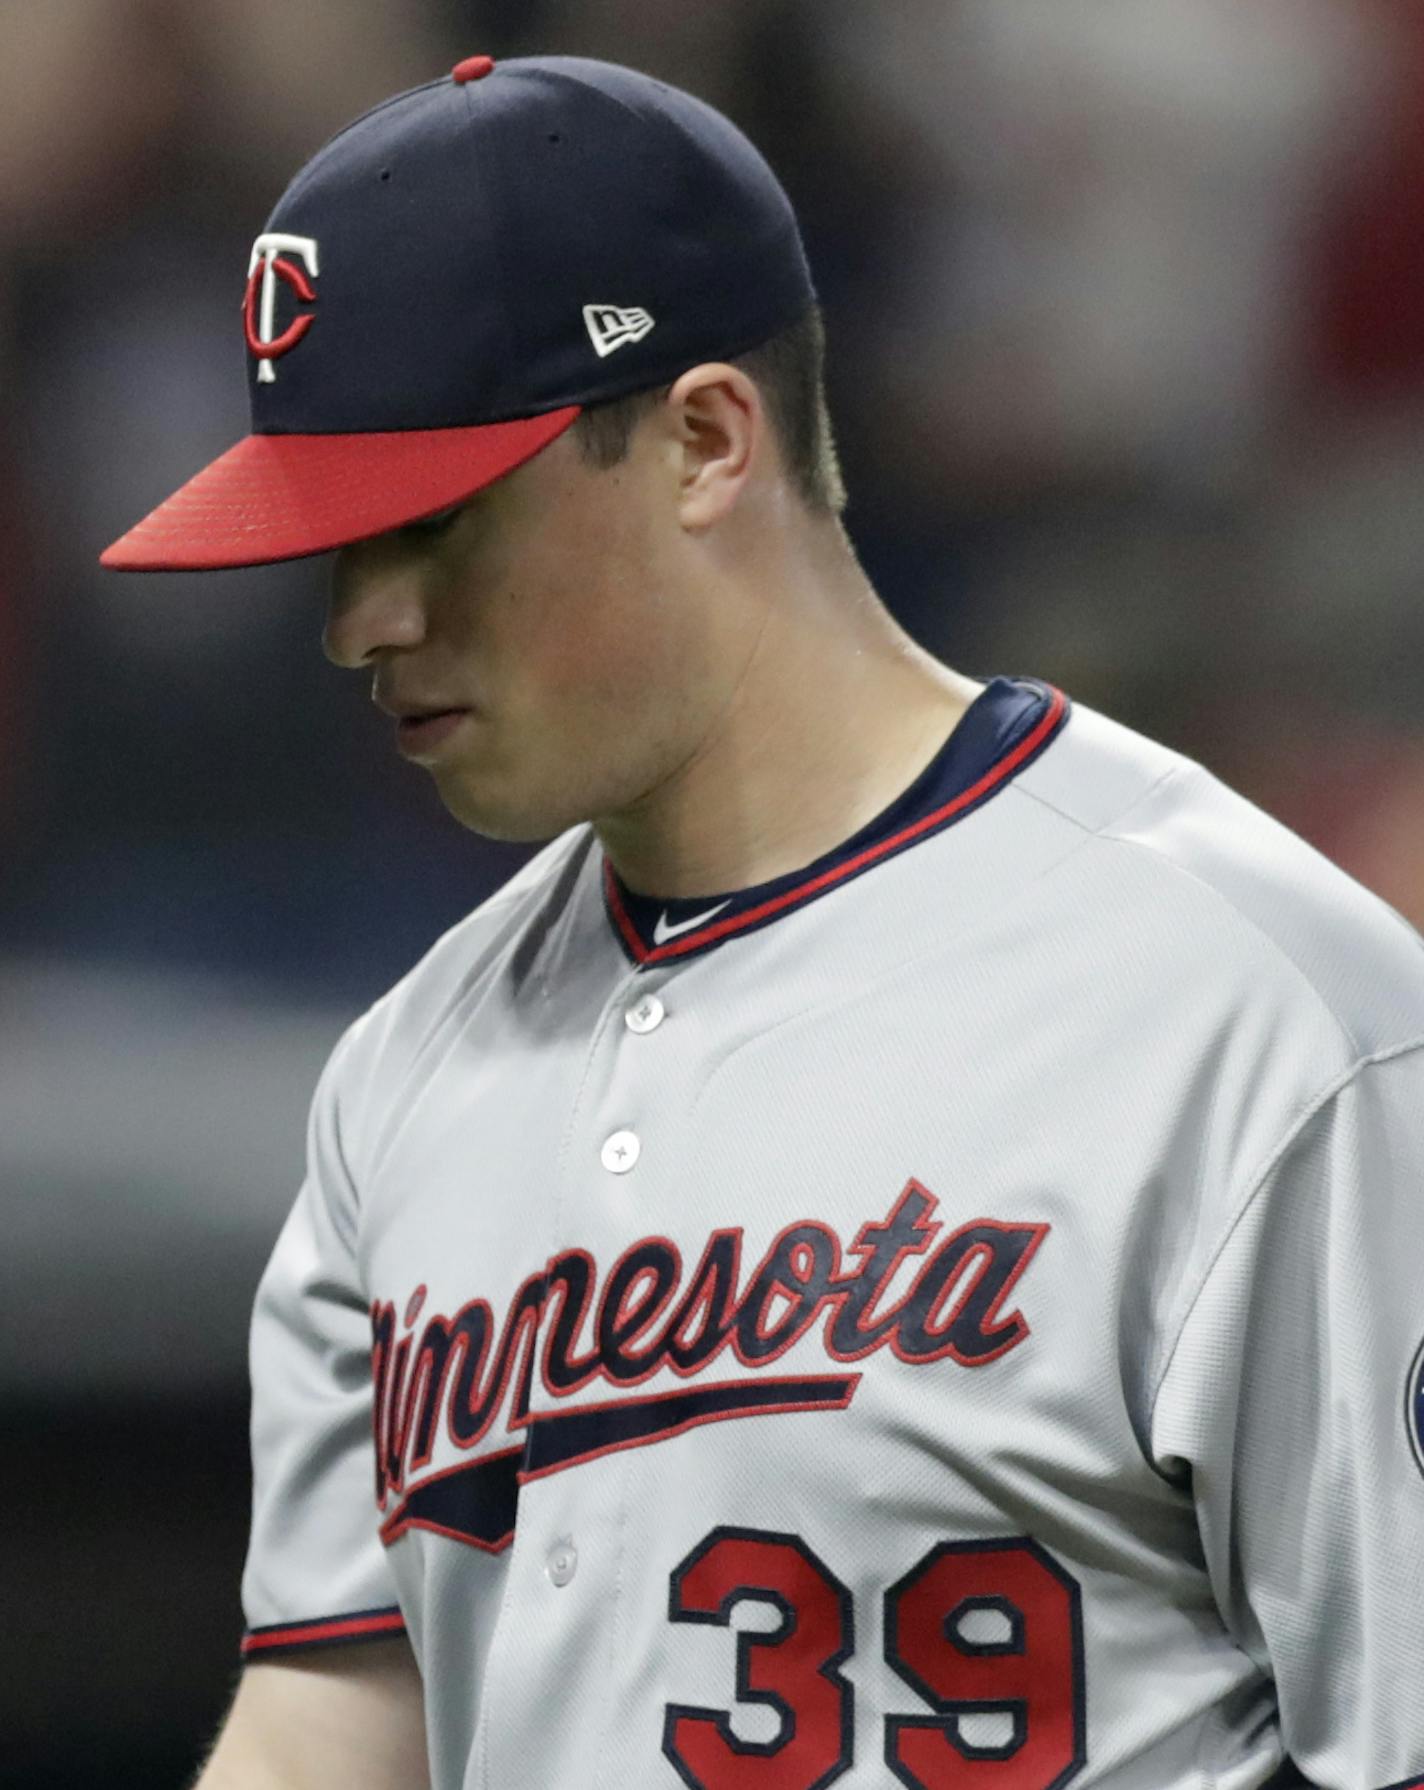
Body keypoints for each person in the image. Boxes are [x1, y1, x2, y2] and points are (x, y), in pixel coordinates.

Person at [101, 52, 1424, 1790]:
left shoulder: (1268, 1014)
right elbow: (337, 1718)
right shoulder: (398, 1083)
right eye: (335, 545)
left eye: (429, 520)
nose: (361, 618)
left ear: (706, 443)